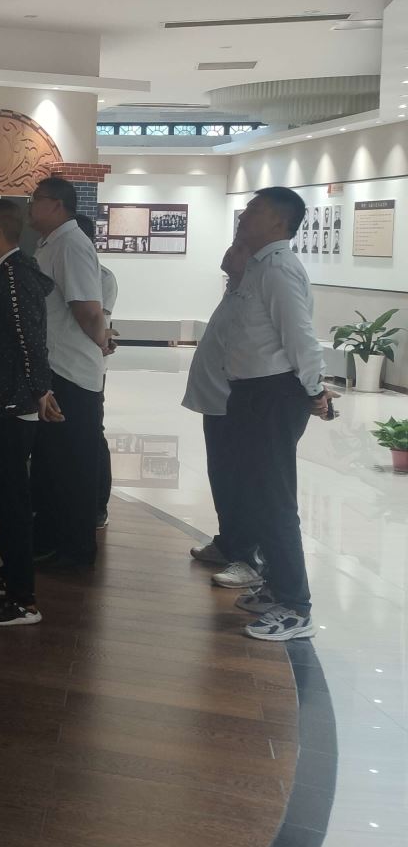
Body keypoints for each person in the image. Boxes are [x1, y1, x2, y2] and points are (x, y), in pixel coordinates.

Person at [221, 187, 336, 641]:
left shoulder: (280, 268)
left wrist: (315, 389)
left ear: (278, 221)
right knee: (257, 493)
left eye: (254, 209)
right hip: (252, 392)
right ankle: (275, 585)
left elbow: (301, 338)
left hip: (273, 394)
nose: (244, 214)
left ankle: (295, 607)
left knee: (274, 500)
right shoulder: (258, 265)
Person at [0, 199, 57, 627]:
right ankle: (11, 575)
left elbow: (30, 340)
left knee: (10, 502)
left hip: (9, 405)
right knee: (0, 499)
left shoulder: (16, 276)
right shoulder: (5, 273)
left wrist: (40, 390)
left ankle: (23, 600)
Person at [27, 178, 109, 571]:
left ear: (57, 204)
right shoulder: (50, 242)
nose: (30, 206)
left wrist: (102, 341)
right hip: (55, 367)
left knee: (72, 464)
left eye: (35, 199)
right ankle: (49, 539)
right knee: (50, 463)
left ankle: (75, 550)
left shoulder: (72, 244)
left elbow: (88, 310)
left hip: (71, 372)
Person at [183, 242, 263, 588]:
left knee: (243, 482)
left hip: (238, 403)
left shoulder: (257, 296)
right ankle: (228, 542)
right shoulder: (234, 291)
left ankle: (249, 559)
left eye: (238, 249)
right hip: (217, 402)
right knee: (222, 476)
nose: (229, 254)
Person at [73, 212, 119, 526]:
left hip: (89, 368)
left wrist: (103, 340)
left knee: (92, 433)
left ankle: (98, 504)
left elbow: (96, 322)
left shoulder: (103, 277)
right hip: (61, 365)